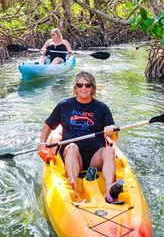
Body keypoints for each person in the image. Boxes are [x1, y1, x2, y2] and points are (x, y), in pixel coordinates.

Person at [38, 71, 117, 202]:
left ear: (93, 88)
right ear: (75, 88)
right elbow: (48, 124)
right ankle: (72, 184)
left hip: (95, 158)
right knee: (72, 146)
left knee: (109, 150)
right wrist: (42, 142)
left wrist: (111, 130)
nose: (84, 88)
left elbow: (114, 137)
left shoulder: (102, 108)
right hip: (73, 156)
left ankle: (109, 188)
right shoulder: (64, 105)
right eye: (80, 85)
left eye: (88, 85)